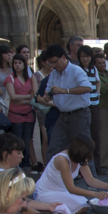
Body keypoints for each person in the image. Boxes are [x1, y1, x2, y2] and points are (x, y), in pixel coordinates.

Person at [39, 44, 94, 172]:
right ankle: (49, 180)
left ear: (63, 57)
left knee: (83, 148)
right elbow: (47, 91)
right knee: (54, 148)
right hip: (62, 116)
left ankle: (92, 182)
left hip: (79, 115)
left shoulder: (76, 70)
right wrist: (48, 96)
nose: (53, 65)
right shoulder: (54, 74)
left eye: (54, 62)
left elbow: (87, 88)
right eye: (50, 63)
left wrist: (65, 91)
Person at [36, 136, 108, 214]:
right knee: (79, 208)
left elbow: (90, 179)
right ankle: (43, 207)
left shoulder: (80, 158)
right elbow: (71, 188)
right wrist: (94, 194)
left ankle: (51, 208)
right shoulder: (62, 160)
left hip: (62, 191)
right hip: (46, 192)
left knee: (85, 205)